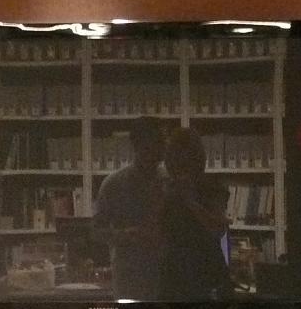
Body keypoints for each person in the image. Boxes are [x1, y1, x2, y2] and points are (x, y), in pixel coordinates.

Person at [93, 117, 167, 299]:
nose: (164, 146)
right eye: (159, 140)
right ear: (140, 144)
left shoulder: (170, 182)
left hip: (166, 276)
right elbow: (96, 231)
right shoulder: (114, 184)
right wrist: (127, 235)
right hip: (130, 278)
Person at [157, 127, 232, 299]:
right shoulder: (165, 189)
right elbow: (156, 229)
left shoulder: (212, 188)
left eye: (188, 161)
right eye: (179, 161)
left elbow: (218, 229)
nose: (184, 168)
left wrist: (190, 201)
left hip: (206, 267)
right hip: (173, 269)